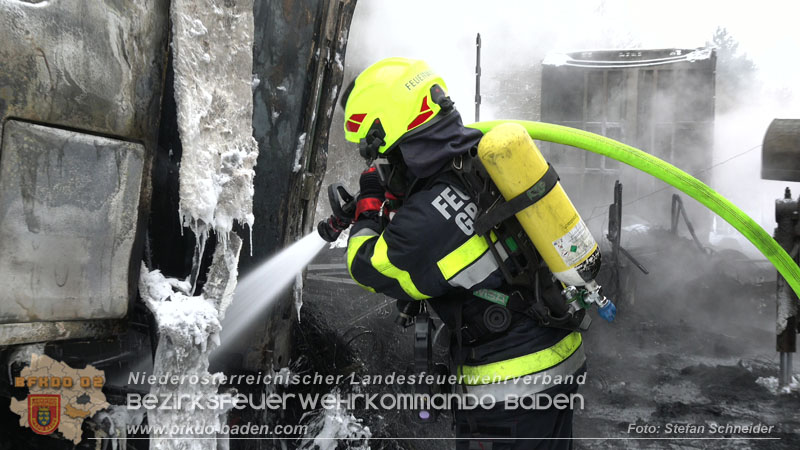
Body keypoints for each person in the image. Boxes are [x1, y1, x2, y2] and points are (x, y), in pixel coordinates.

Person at [340, 57, 585, 449]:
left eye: (380, 155)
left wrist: (370, 207)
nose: (381, 166)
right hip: (559, 356)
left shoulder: (425, 221)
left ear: (396, 138)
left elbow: (367, 266)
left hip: (509, 387)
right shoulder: (482, 157)